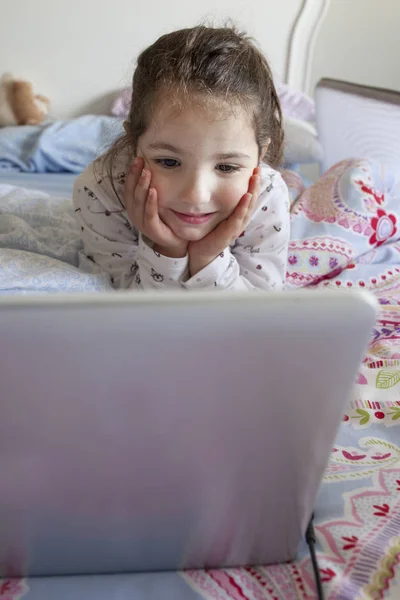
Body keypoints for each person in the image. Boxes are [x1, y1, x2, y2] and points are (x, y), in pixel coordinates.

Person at [73, 24, 290, 291]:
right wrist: (166, 250)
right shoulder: (101, 191)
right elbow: (122, 312)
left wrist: (208, 258)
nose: (196, 196)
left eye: (226, 166)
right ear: (133, 142)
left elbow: (259, 316)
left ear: (260, 155)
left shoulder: (267, 194)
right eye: (168, 162)